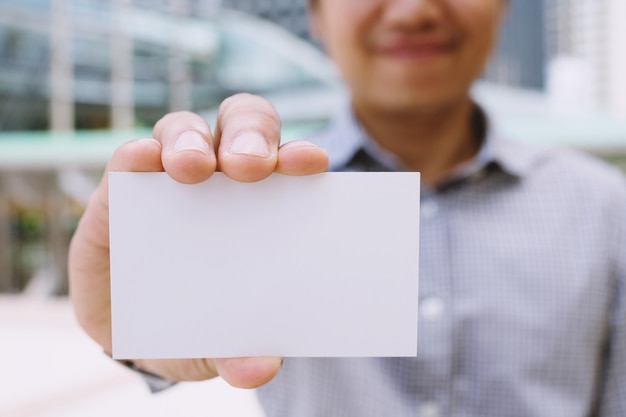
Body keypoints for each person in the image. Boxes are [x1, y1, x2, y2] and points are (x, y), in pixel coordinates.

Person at [69, 0, 626, 416]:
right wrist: (136, 331)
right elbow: (176, 339)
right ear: (315, 13)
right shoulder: (249, 194)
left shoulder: (606, 209)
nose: (413, 11)